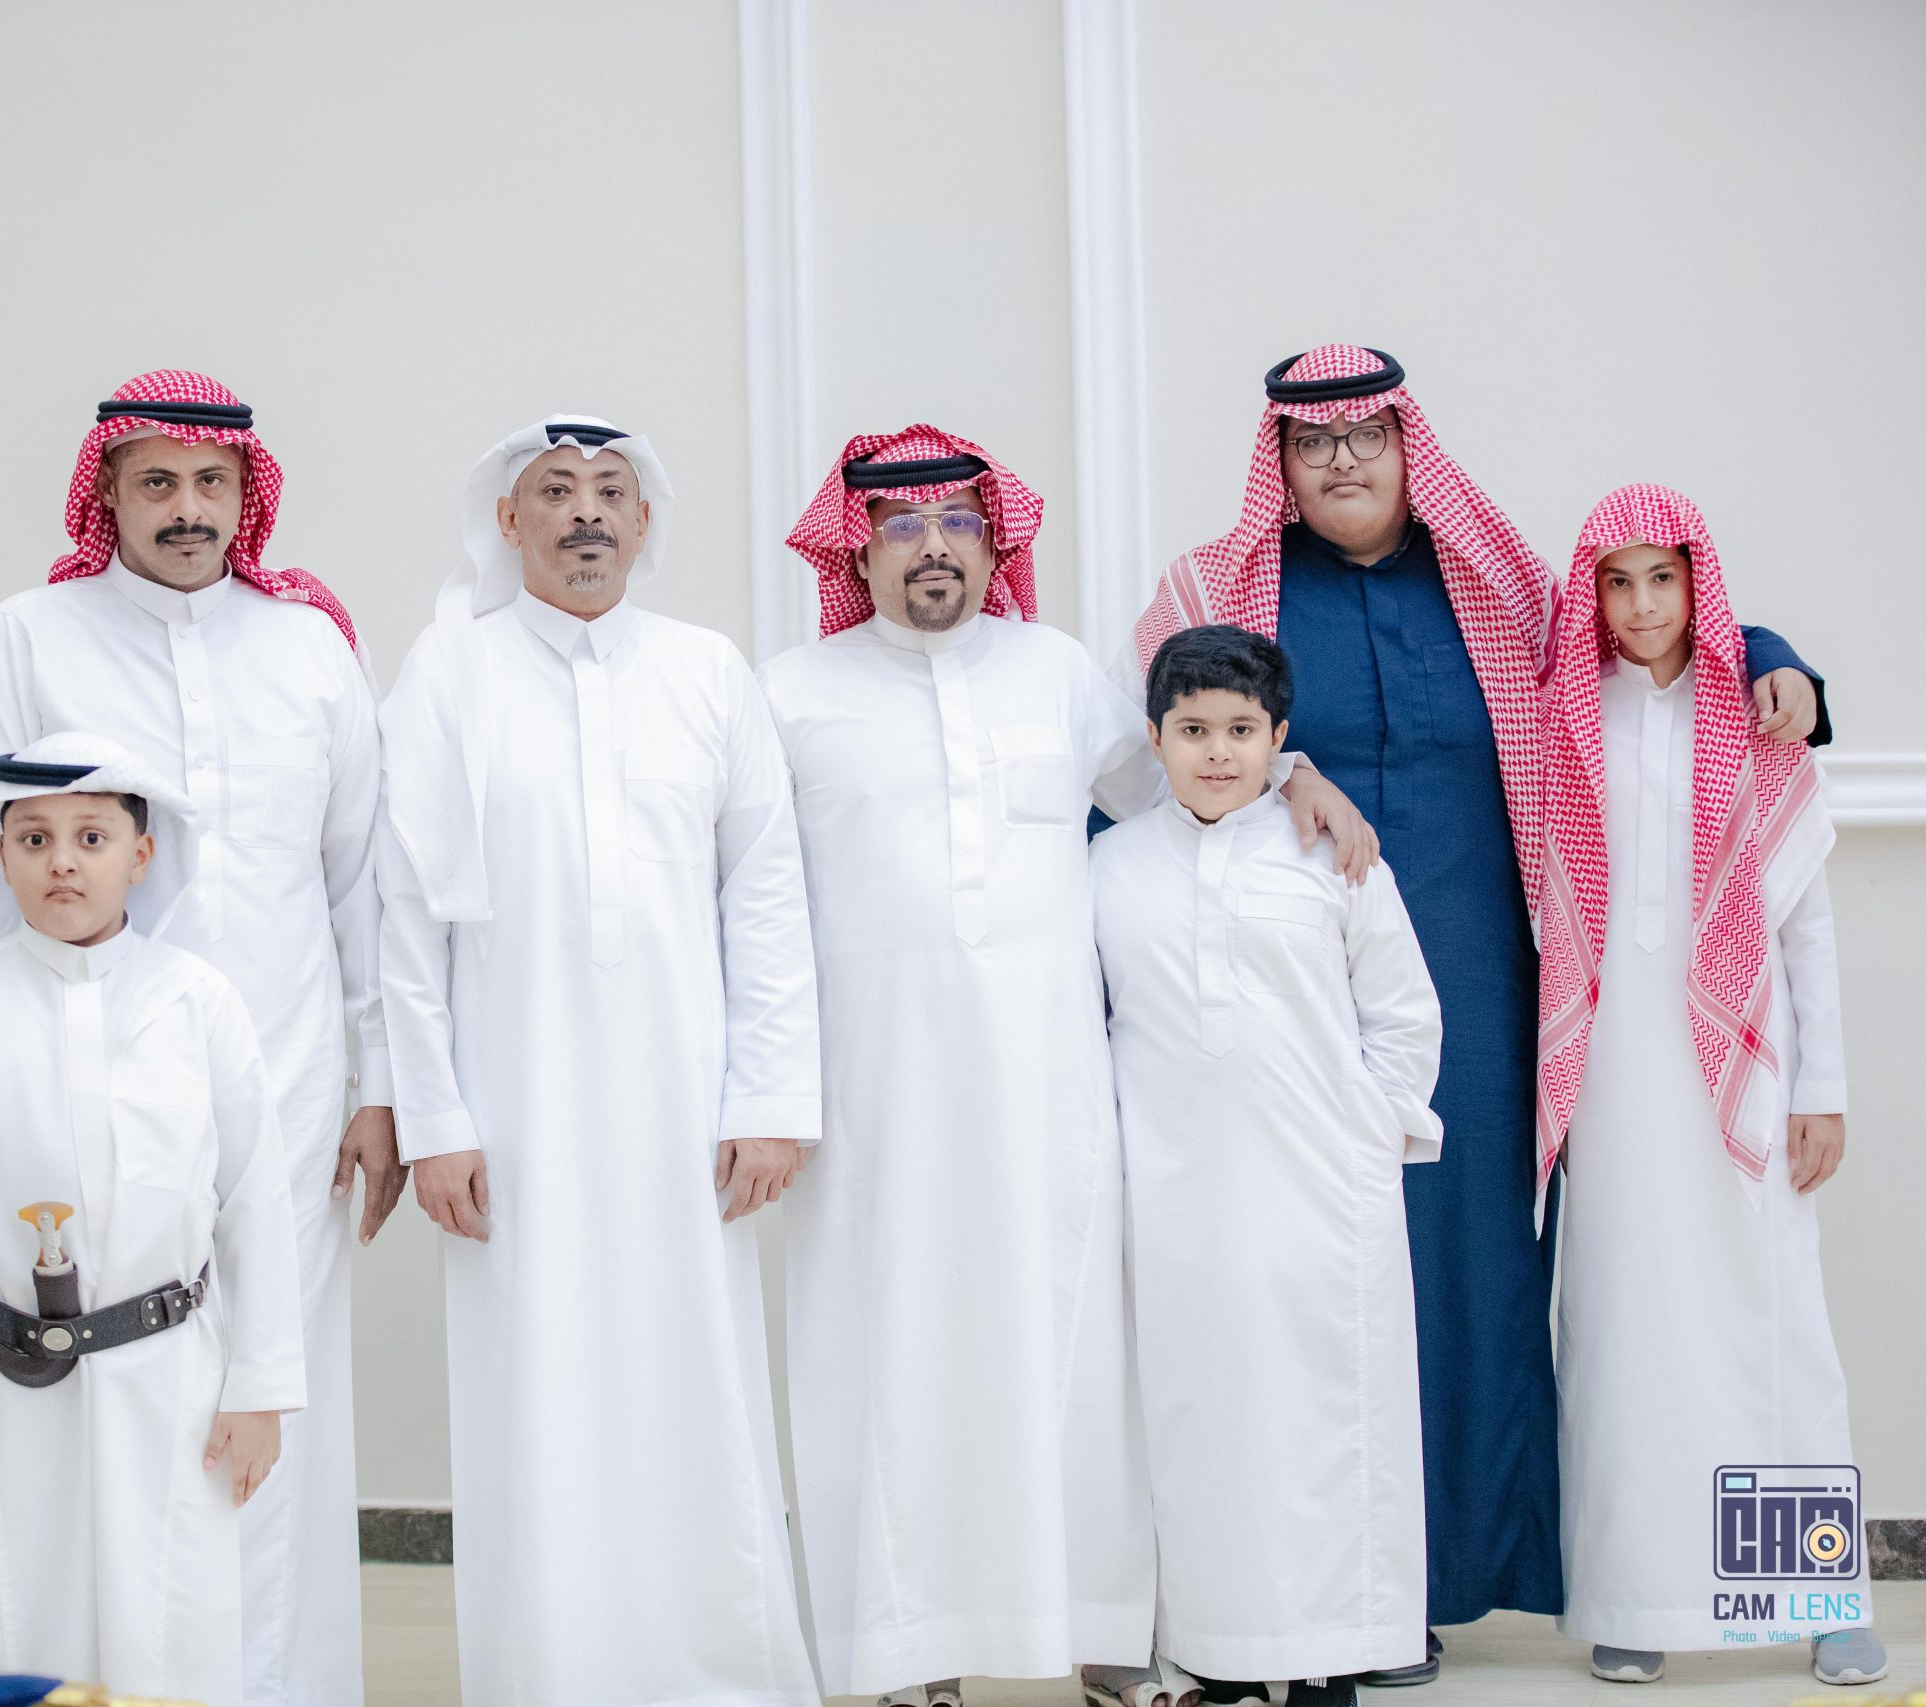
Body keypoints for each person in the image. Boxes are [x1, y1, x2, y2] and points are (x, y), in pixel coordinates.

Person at [1125, 346, 1828, 1675]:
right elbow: (1152, 740)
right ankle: (1340, 1597)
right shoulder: (1216, 591)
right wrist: (1295, 764)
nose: (1342, 459)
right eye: (1312, 440)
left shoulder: (1496, 581)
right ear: (1280, 459)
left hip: (1501, 995)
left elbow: (1638, 634)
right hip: (1285, 1000)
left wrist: (1777, 656)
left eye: (1367, 434)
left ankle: (1467, 1579)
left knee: (1473, 1274)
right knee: (1318, 1281)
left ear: (1410, 445)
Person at [765, 424, 1356, 1707]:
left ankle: (1099, 1638)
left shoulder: (1057, 673)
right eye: (902, 524)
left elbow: (1185, 783)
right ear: (855, 550)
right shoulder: (790, 695)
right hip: (871, 1095)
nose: (933, 547)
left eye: (958, 523)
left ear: (997, 544)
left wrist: (1300, 775)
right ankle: (907, 1653)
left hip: (1049, 1086)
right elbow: (745, 893)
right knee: (890, 1349)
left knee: (1076, 1345)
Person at [0, 371, 388, 1707]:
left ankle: (276, 1686)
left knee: (271, 1391)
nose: (187, 509)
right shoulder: (30, 636)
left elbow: (364, 880)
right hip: (82, 1090)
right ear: (108, 495)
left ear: (246, 496)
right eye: (156, 483)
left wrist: (381, 1086)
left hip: (290, 1086)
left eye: (210, 484)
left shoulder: (310, 648)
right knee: (106, 1406)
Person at [376, 416, 822, 1707]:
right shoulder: (449, 671)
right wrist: (434, 1118)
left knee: (695, 1379)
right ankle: (553, 1672)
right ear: (506, 522)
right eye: (556, 491)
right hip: (510, 1104)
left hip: (687, 1103)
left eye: (610, 491)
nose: (585, 513)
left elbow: (765, 895)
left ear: (642, 521)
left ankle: (719, 1676)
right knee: (538, 1391)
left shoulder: (707, 669)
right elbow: (404, 910)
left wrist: (771, 1099)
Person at [0, 733, 306, 1701]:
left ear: (141, 855)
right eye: (34, 839)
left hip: (170, 1378)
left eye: (91, 837)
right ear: (0, 855)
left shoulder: (199, 1003)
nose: (61, 861)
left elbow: (255, 1201)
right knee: (12, 1625)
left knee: (170, 1629)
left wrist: (262, 1385)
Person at [1535, 486, 1881, 1689]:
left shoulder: (1756, 718)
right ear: (1592, 592)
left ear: (1698, 583)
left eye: (1662, 578)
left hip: (1746, 1063)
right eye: (1616, 581)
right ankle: (1634, 1595)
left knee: (1767, 1323)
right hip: (1613, 1076)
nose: (1640, 605)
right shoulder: (1560, 716)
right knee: (1622, 1326)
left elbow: (1804, 924)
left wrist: (1821, 1086)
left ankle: (1815, 1599)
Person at [1092, 624, 1443, 1707]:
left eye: (1241, 730)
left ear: (1279, 738)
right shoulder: (1109, 867)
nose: (1216, 752)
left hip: (1321, 1191)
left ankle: (1329, 1654)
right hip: (1172, 1194)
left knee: (1326, 1420)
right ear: (1154, 737)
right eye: (1192, 729)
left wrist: (1368, 1136)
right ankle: (1217, 1648)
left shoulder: (1332, 854)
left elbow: (1403, 1011)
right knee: (1199, 1420)